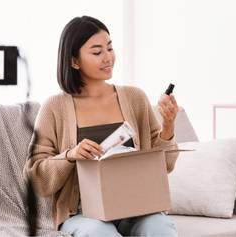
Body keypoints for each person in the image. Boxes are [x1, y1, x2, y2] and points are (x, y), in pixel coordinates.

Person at [23, 16, 179, 237]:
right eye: (97, 52)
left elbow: (165, 166)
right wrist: (70, 155)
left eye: (110, 48)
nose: (108, 58)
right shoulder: (54, 107)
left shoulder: (135, 97)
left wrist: (169, 126)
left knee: (160, 227)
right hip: (81, 214)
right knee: (100, 233)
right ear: (74, 61)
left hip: (136, 207)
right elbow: (36, 178)